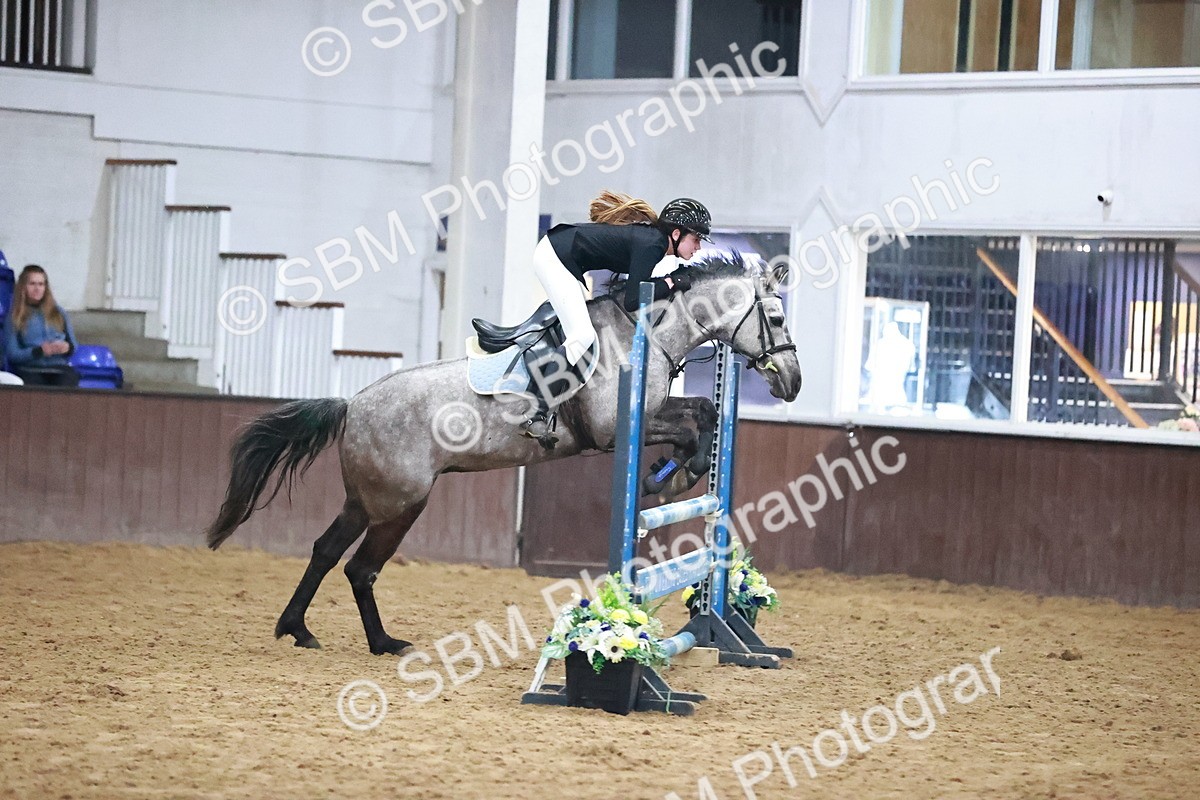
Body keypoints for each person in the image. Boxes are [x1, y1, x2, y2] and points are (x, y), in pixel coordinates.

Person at [524, 191, 711, 441]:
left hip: (560, 253)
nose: (698, 247)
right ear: (676, 234)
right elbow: (634, 299)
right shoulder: (652, 245)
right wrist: (671, 281)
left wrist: (670, 281)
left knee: (578, 333)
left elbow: (637, 288)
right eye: (696, 239)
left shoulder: (653, 241)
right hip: (555, 257)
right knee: (581, 336)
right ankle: (535, 414)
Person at [3, 264, 81, 388]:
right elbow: (12, 354)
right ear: (23, 287)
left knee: (68, 386)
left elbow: (74, 346)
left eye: (41, 284)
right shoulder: (14, 316)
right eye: (32, 284)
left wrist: (67, 348)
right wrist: (39, 351)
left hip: (59, 368)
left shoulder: (59, 312)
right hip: (29, 369)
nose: (37, 289)